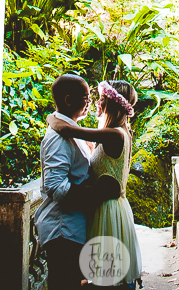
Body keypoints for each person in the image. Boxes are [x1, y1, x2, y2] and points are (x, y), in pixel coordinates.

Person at [47, 79, 142, 289]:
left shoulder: (114, 134)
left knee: (107, 275)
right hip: (106, 206)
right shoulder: (116, 133)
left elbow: (66, 130)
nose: (96, 103)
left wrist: (51, 117)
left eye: (101, 99)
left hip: (108, 210)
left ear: (112, 104)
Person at [35, 73, 120, 290]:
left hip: (75, 226)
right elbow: (55, 186)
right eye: (85, 97)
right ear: (68, 100)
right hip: (63, 228)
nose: (90, 102)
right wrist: (97, 193)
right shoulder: (58, 138)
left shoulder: (69, 129)